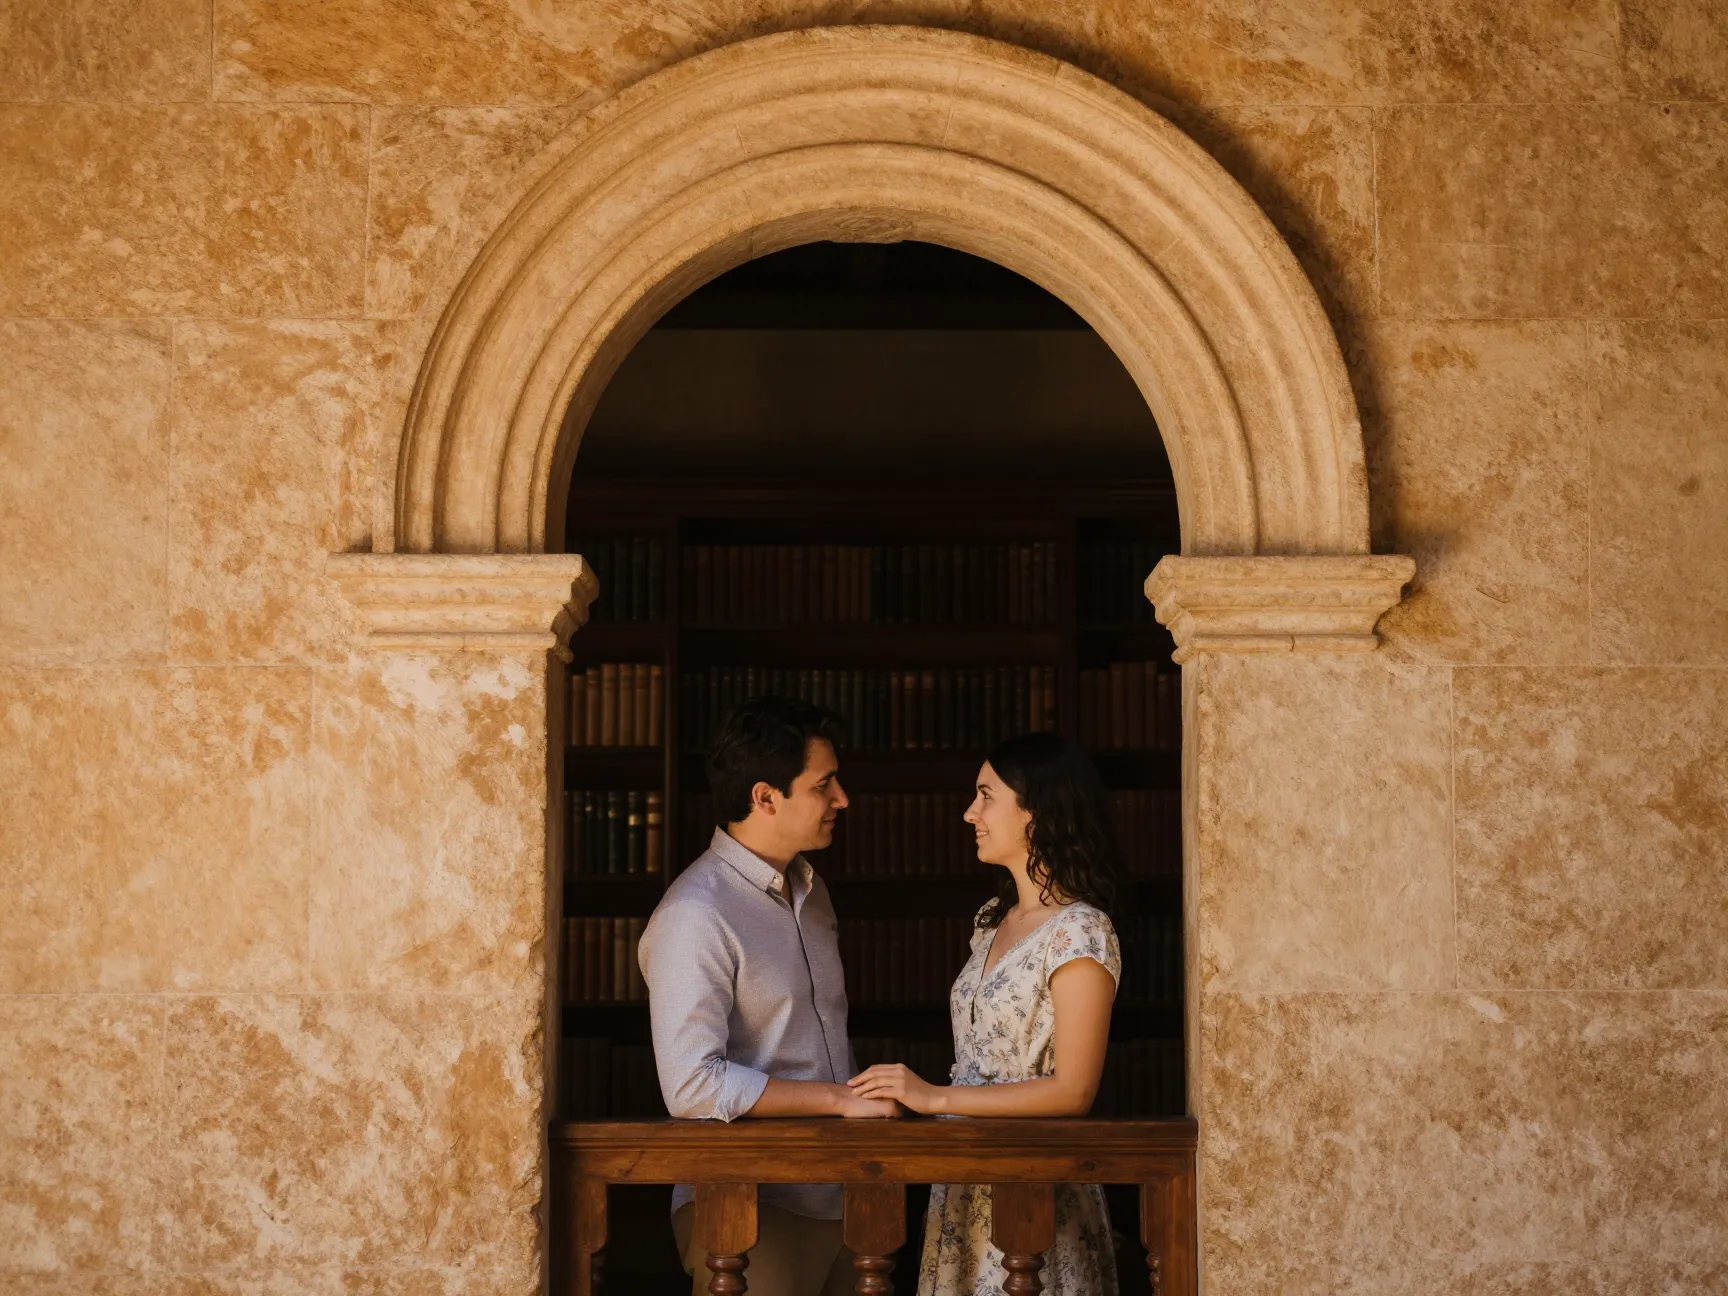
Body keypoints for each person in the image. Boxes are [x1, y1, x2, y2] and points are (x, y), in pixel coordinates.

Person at [638, 695, 899, 1296]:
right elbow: (691, 1085)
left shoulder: (812, 891)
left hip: (850, 1196)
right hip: (752, 1207)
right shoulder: (695, 914)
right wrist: (841, 1101)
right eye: (824, 785)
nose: (842, 799)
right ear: (765, 797)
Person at [849, 731, 1122, 1296]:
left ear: (1037, 810)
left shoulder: (1081, 930)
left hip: (1033, 1179)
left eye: (986, 796)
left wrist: (934, 1098)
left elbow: (1073, 1091)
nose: (970, 812)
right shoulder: (991, 919)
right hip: (963, 1176)